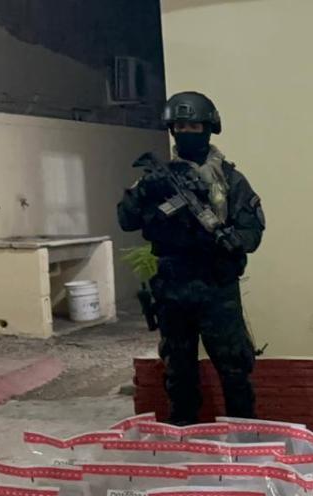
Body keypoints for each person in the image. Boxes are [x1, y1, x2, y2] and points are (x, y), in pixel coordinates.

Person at [117, 91, 266, 425]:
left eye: (194, 126)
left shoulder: (230, 180)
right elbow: (126, 220)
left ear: (209, 128)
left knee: (235, 368)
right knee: (179, 371)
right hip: (173, 288)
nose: (186, 133)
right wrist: (146, 191)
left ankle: (244, 435)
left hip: (217, 287)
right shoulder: (157, 178)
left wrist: (235, 241)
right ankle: (182, 435)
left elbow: (253, 229)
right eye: (180, 127)